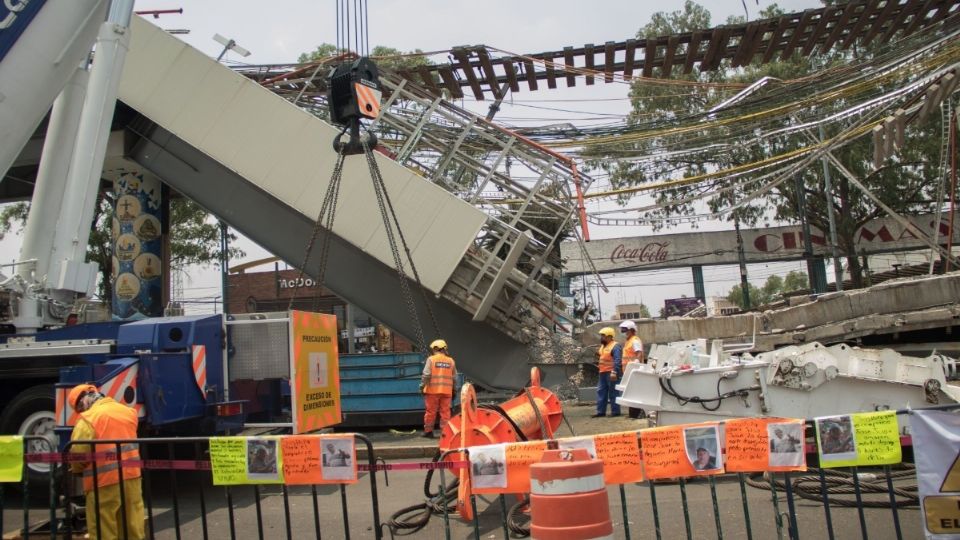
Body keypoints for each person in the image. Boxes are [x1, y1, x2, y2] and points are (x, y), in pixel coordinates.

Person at [68, 383, 145, 540]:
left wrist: (76, 470)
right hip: (132, 478)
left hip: (103, 482)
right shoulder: (127, 412)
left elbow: (78, 454)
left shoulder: (88, 419)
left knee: (104, 530)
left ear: (81, 403)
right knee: (132, 527)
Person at [420, 339, 457, 438]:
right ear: (444, 349)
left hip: (432, 391)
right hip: (446, 392)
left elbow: (426, 375)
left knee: (431, 412)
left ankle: (428, 432)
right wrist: (454, 389)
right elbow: (454, 378)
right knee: (445, 412)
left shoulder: (431, 359)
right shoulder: (451, 361)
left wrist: (422, 386)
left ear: (435, 349)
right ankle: (445, 433)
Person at [593, 327, 623, 418]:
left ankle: (615, 412)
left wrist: (614, 371)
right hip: (602, 372)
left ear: (609, 336)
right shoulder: (603, 346)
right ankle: (601, 412)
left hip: (611, 372)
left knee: (613, 392)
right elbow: (601, 356)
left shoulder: (615, 346)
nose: (601, 338)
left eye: (603, 336)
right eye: (601, 336)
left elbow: (617, 360)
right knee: (601, 392)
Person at [619, 320, 646, 419]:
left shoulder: (634, 340)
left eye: (625, 331)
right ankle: (633, 414)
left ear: (631, 330)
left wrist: (636, 364)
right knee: (631, 392)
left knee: (635, 393)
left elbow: (638, 353)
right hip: (628, 371)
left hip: (634, 371)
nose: (624, 333)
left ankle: (638, 413)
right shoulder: (629, 341)